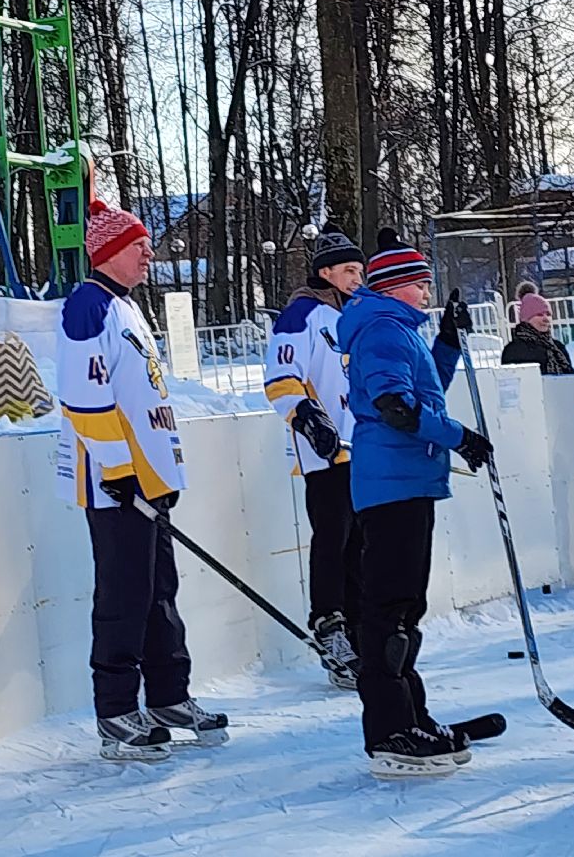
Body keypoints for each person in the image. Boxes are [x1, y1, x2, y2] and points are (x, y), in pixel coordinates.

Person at [57, 199, 228, 761]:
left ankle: (168, 695)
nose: (150, 254)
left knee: (160, 593)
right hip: (114, 485)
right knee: (123, 595)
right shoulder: (88, 306)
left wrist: (163, 472)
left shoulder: (127, 309)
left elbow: (145, 397)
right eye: (139, 246)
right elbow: (86, 399)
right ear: (109, 252)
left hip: (144, 481)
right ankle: (116, 712)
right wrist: (119, 469)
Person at [337, 228, 493, 778]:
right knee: (389, 610)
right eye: (421, 283)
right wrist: (461, 438)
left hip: (407, 482)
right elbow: (396, 409)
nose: (428, 292)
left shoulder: (396, 331)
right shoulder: (381, 330)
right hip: (391, 484)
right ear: (398, 286)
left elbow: (425, 392)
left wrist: (447, 341)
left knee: (405, 608)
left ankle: (411, 714)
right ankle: (389, 730)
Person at [263, 223, 365, 690]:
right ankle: (330, 626)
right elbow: (282, 378)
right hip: (325, 453)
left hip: (360, 449)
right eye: (348, 269)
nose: (356, 277)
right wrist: (308, 418)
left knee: (362, 543)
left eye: (359, 268)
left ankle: (362, 626)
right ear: (325, 271)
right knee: (333, 538)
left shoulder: (353, 314)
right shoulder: (300, 315)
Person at [500, 281, 574, 375]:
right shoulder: (513, 350)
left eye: (548, 314)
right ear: (526, 319)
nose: (546, 319)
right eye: (539, 314)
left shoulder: (557, 347)